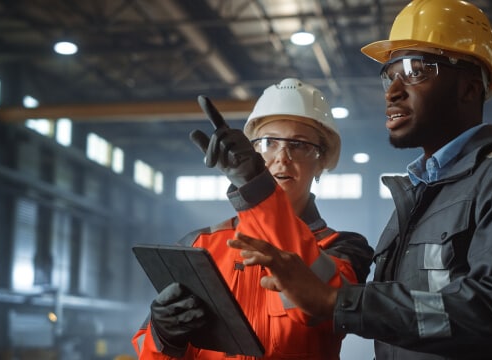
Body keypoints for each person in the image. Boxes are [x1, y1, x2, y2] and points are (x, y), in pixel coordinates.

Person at [227, 1, 492, 359]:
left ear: (469, 89)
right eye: (390, 75)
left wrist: (336, 300)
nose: (393, 91)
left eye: (415, 72)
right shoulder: (420, 197)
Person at [132, 78, 374, 359]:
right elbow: (146, 350)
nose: (282, 158)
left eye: (299, 145)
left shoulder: (345, 248)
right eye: (269, 143)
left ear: (321, 162)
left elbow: (322, 307)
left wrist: (255, 187)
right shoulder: (199, 244)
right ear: (252, 151)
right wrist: (164, 337)